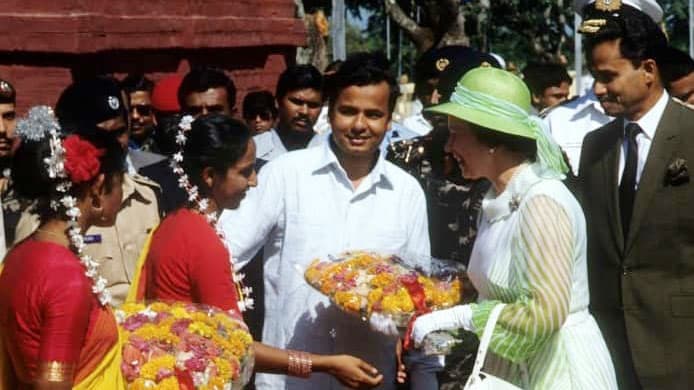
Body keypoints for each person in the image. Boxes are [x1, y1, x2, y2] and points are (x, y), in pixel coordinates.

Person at [220, 52, 436, 389]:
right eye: (348, 111)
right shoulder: (285, 175)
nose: (359, 125)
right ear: (329, 112)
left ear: (389, 119)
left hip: (371, 378)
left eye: (373, 114)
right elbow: (224, 252)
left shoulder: (407, 193)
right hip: (290, 381)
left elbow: (419, 297)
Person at [133, 113, 384, 389]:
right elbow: (236, 346)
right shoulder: (202, 241)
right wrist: (324, 364)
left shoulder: (174, 222)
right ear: (209, 176)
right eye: (245, 172)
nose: (253, 181)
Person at [410, 66, 618, 389]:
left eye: (456, 133)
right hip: (512, 367)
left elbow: (544, 313)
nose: (449, 147)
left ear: (490, 138)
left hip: (557, 371)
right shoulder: (498, 199)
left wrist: (459, 318)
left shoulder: (541, 202)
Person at [576, 0, 694, 388]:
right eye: (595, 75)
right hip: (609, 355)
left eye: (608, 75)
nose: (597, 87)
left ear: (648, 70)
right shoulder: (596, 146)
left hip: (681, 353)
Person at [0, 107, 127, 388]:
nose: (124, 190)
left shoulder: (21, 252)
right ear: (99, 186)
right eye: (121, 180)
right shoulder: (66, 277)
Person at [14, 77, 162, 307]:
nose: (118, 144)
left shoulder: (148, 197)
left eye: (121, 131)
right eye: (104, 137)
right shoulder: (46, 219)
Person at [254, 64, 324, 167]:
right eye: (297, 102)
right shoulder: (253, 152)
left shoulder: (332, 152)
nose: (304, 111)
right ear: (277, 102)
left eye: (313, 105)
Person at [120, 74, 159, 152]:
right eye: (129, 110)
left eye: (143, 110)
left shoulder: (166, 146)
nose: (135, 116)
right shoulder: (112, 151)